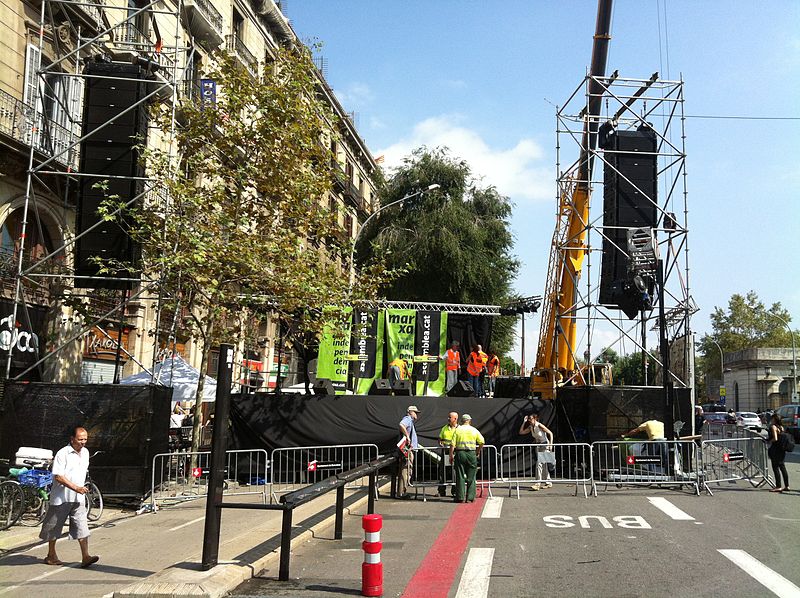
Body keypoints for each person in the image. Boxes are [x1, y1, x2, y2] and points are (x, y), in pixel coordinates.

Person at [39, 426, 99, 568]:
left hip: (78, 499)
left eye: (85, 439)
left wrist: (82, 488)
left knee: (82, 526)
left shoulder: (85, 453)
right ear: (72, 439)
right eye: (80, 439)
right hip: (61, 497)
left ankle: (85, 556)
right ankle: (51, 555)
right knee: (54, 527)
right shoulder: (62, 453)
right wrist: (76, 487)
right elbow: (58, 476)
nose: (83, 442)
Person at [450, 414, 484, 503]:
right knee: (472, 476)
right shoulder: (474, 430)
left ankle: (460, 497)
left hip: (460, 453)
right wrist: (477, 451)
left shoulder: (458, 430)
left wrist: (451, 455)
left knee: (460, 475)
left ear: (462, 421)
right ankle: (470, 497)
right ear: (469, 421)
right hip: (471, 453)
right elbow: (482, 441)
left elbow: (452, 444)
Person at [519, 413, 554, 490]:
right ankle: (548, 482)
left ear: (535, 419)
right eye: (529, 419)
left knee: (539, 463)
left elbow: (550, 433)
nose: (529, 420)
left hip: (545, 445)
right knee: (543, 465)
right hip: (538, 446)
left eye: (530, 419)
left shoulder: (539, 425)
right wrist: (524, 422)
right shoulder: (531, 427)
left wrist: (550, 445)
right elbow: (521, 432)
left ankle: (537, 483)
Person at [397, 405, 420, 499]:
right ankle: (401, 493)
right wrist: (407, 436)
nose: (417, 414)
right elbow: (401, 425)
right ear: (410, 412)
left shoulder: (410, 421)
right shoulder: (407, 419)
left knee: (406, 470)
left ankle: (402, 492)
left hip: (408, 449)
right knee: (405, 470)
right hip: (407, 450)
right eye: (415, 412)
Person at [437, 411, 459, 497]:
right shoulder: (444, 428)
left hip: (455, 452)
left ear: (455, 419)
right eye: (448, 417)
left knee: (455, 472)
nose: (448, 419)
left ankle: (455, 491)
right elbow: (440, 438)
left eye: (450, 417)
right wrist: (440, 443)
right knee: (443, 471)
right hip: (445, 452)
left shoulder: (459, 429)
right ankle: (441, 491)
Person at [767, 413, 790, 493]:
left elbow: (775, 438)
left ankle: (778, 486)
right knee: (782, 467)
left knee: (775, 468)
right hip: (781, 449)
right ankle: (787, 486)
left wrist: (769, 441)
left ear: (774, 419)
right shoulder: (781, 427)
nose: (771, 420)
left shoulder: (773, 427)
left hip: (776, 449)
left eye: (772, 418)